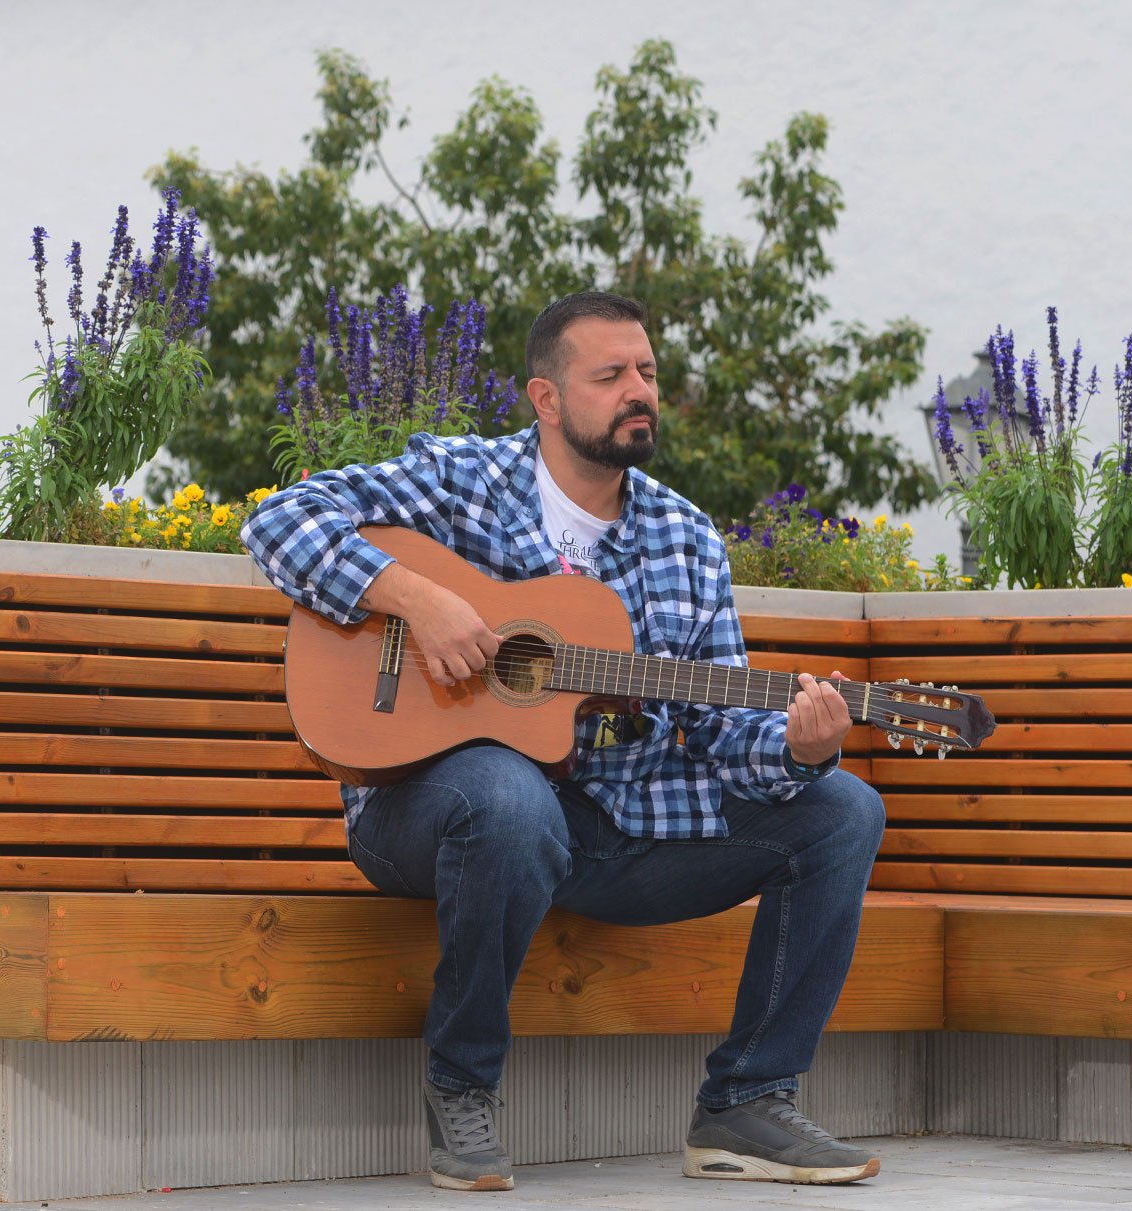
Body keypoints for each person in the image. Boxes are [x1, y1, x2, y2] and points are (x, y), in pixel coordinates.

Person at [242, 291, 883, 1192]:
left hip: (613, 830)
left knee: (844, 808)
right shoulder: (464, 478)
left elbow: (722, 731)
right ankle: (462, 1084)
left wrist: (799, 748)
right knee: (510, 795)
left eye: (647, 372)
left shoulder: (685, 538)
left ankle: (746, 1104)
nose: (639, 390)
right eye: (611, 374)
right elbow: (277, 519)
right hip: (426, 810)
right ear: (545, 398)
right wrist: (416, 598)